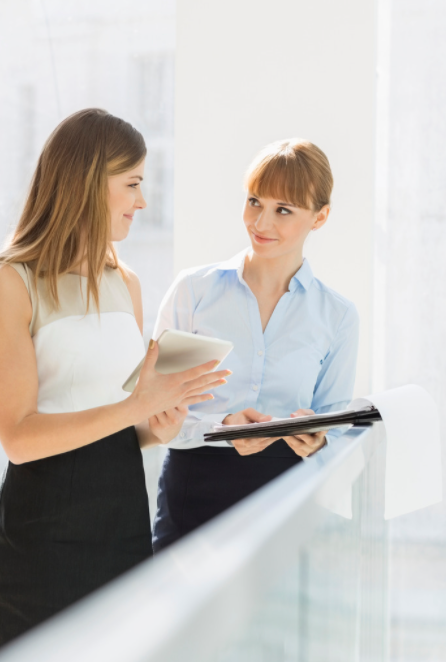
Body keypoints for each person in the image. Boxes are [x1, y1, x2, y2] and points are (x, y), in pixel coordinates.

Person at [0, 108, 229, 657]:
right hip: (41, 540)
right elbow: (19, 437)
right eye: (132, 184)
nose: (141, 201)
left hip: (123, 527)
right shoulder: (6, 284)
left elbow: (113, 420)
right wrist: (137, 403)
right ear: (89, 181)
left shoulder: (126, 283)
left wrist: (158, 422)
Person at [150, 138, 359, 553]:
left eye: (283, 210)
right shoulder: (194, 291)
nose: (261, 223)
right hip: (193, 493)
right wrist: (221, 427)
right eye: (254, 202)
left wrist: (319, 441)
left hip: (287, 497)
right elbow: (155, 412)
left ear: (320, 217)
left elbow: (337, 426)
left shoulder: (337, 316)